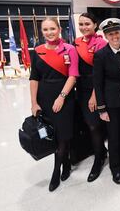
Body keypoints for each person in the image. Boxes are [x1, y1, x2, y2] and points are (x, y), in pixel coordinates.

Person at [29, 17, 79, 191]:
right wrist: (34, 103)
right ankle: (64, 163)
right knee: (52, 135)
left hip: (64, 98)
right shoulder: (37, 51)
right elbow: (34, 78)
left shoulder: (70, 49)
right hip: (44, 98)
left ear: (59, 29)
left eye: (52, 29)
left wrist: (62, 96)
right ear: (42, 32)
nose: (49, 32)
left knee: (64, 135)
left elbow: (73, 75)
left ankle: (56, 171)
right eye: (45, 29)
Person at [93, 18, 120, 185]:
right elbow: (97, 83)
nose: (115, 36)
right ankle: (115, 167)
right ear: (105, 35)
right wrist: (102, 108)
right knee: (113, 136)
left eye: (117, 33)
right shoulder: (101, 55)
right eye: (110, 34)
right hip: (111, 103)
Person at [74, 13, 108, 182]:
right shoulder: (76, 42)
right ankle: (100, 150)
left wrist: (95, 96)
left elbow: (100, 73)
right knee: (88, 125)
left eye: (87, 23)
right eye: (81, 24)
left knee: (94, 125)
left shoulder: (101, 43)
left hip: (95, 90)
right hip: (80, 90)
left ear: (95, 25)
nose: (83, 27)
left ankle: (99, 158)